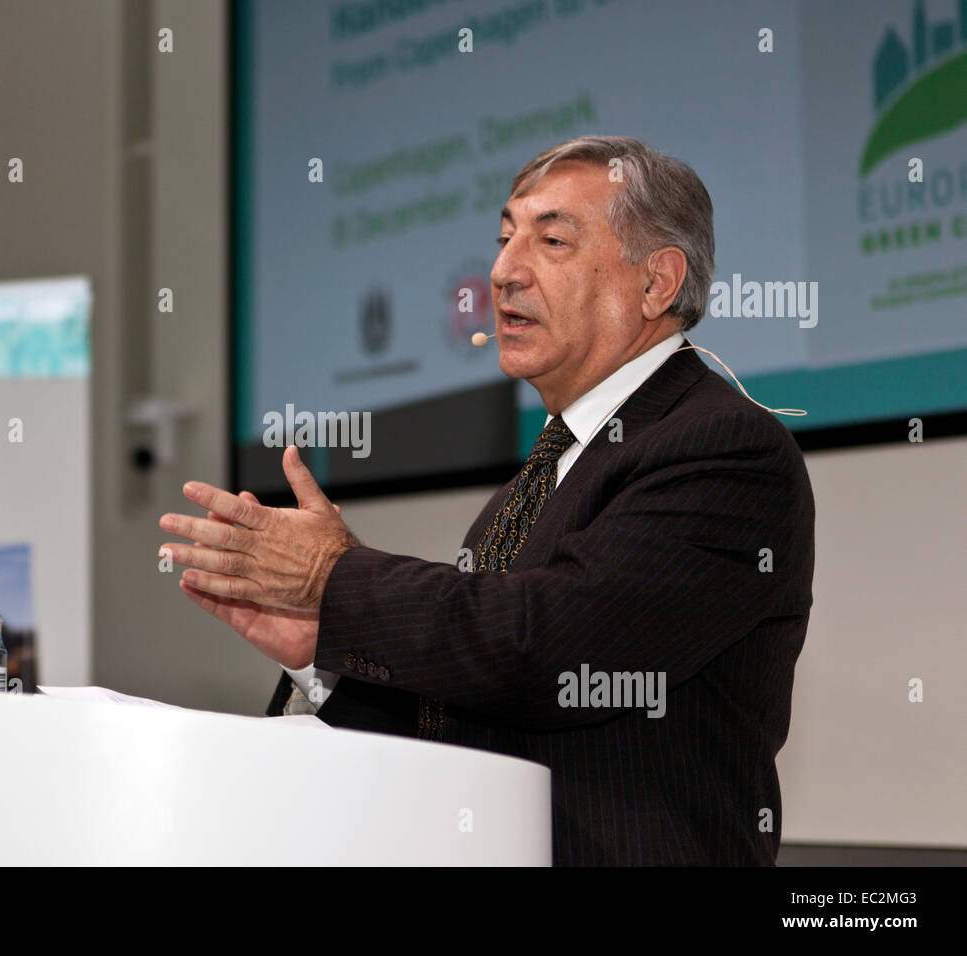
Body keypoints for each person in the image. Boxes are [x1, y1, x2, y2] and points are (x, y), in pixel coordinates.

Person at [158, 135, 815, 866]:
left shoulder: (722, 448)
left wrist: (335, 581)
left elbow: (550, 652)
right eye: (504, 239)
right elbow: (469, 717)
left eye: (552, 239)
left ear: (657, 283)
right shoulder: (527, 488)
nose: (502, 273)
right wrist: (325, 652)